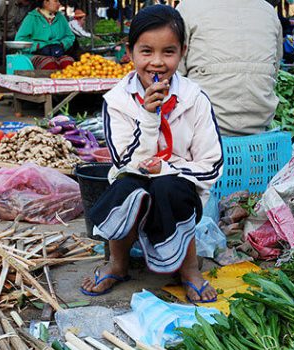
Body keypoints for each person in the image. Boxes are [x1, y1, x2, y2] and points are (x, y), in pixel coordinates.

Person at [81, 5, 222, 303]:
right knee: (128, 185)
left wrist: (168, 171)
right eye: (146, 51)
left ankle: (189, 269)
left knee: (166, 185)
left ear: (183, 51)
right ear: (129, 51)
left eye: (168, 52)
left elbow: (211, 164)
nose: (157, 63)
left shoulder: (194, 99)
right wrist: (148, 116)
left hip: (180, 186)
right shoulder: (117, 100)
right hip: (134, 181)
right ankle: (118, 263)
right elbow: (123, 161)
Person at [176, 0, 283, 136]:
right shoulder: (269, 13)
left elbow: (174, 75)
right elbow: (275, 71)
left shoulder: (188, 8)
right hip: (259, 130)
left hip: (202, 132)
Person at [14, 0, 75, 70]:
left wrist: (62, 45)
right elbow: (20, 40)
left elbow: (70, 36)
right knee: (49, 64)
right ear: (45, 2)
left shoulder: (61, 18)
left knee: (68, 63)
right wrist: (37, 46)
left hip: (56, 53)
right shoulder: (32, 18)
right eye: (56, 1)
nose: (59, 4)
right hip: (35, 54)